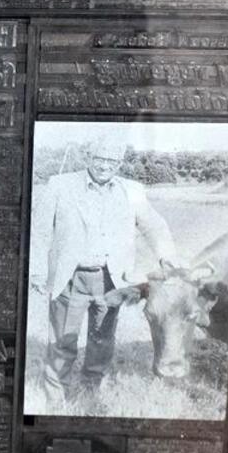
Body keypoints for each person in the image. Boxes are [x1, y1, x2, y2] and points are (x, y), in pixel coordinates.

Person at [38, 136, 178, 400]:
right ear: (88, 157)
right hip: (71, 278)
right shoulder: (60, 185)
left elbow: (154, 226)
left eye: (112, 161)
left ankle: (91, 387)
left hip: (112, 279)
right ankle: (55, 396)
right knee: (63, 340)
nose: (105, 166)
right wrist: (37, 270)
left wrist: (167, 257)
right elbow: (40, 231)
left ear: (120, 163)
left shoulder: (132, 190)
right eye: (100, 159)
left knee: (102, 338)